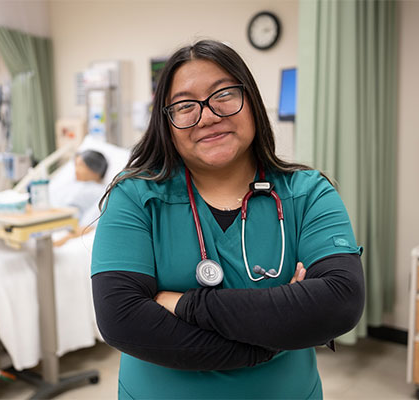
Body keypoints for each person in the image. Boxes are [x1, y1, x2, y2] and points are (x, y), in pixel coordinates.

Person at [91, 40, 364, 399]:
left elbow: (339, 302)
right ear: (167, 123)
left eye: (223, 95)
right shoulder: (136, 198)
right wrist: (269, 341)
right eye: (185, 106)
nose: (207, 116)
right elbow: (122, 320)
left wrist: (185, 304)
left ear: (251, 101)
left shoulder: (308, 193)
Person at [52, 150, 108, 247]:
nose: (76, 170)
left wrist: (64, 239)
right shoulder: (72, 184)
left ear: (95, 169)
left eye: (80, 165)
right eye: (75, 165)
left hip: (62, 226)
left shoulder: (101, 192)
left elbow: (88, 225)